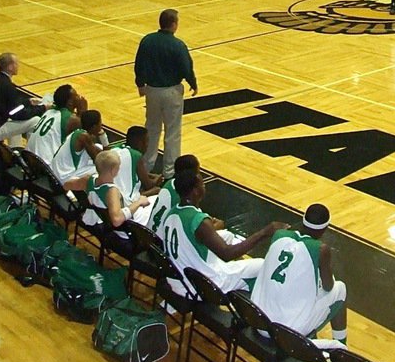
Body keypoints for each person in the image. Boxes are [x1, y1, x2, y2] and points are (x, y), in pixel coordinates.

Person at [158, 169, 286, 297]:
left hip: (177, 280)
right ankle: (254, 310)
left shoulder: (172, 213)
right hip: (201, 286)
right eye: (202, 184)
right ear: (196, 191)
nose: (204, 187)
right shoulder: (199, 221)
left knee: (226, 238)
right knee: (262, 265)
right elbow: (227, 253)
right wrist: (264, 232)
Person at [252, 203, 348, 344]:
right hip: (286, 332)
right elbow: (328, 287)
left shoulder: (279, 235)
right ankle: (341, 348)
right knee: (340, 289)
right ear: (325, 228)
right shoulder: (321, 249)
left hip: (257, 319)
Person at [134, 8, 198, 181]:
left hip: (152, 90)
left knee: (152, 128)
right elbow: (186, 67)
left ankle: (147, 165)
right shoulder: (178, 45)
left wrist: (140, 83)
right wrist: (193, 83)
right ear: (174, 25)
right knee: (173, 131)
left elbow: (139, 64)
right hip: (171, 91)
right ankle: (170, 171)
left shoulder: (147, 41)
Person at [0, 52, 44, 141]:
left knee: (14, 122)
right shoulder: (8, 86)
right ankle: (30, 152)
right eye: (16, 64)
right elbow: (17, 114)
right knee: (35, 121)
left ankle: (15, 149)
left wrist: (28, 101)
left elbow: (11, 105)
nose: (18, 66)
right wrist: (41, 108)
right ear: (10, 67)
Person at [83, 150, 151, 241]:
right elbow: (116, 220)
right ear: (113, 170)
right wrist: (139, 202)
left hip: (102, 221)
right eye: (118, 167)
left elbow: (66, 185)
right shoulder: (112, 191)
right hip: (125, 232)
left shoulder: (89, 179)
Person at [109, 125, 162, 222]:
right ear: (140, 143)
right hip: (125, 204)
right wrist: (157, 179)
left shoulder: (114, 149)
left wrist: (149, 175)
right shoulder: (136, 155)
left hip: (110, 197)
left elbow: (128, 169)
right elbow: (148, 185)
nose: (147, 145)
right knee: (158, 190)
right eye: (146, 141)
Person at [24, 83, 85, 164]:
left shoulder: (48, 111)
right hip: (44, 166)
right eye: (77, 96)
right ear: (70, 102)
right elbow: (86, 133)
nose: (79, 97)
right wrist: (83, 110)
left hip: (28, 158)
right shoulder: (71, 119)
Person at [52, 109, 106, 188]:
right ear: (94, 126)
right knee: (105, 170)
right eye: (100, 122)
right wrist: (104, 138)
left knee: (98, 147)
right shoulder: (84, 137)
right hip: (63, 178)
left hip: (55, 173)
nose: (102, 125)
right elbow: (100, 162)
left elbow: (103, 153)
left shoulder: (77, 132)